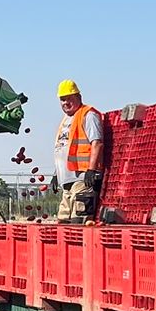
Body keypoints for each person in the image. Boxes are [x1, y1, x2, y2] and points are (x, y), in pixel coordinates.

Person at [53, 79, 106, 223]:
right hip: (67, 182)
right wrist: (56, 173)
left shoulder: (88, 115)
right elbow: (64, 148)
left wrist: (91, 170)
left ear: (79, 98)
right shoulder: (66, 120)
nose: (66, 103)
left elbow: (97, 143)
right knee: (63, 223)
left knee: (79, 223)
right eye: (63, 100)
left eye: (69, 99)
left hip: (83, 180)